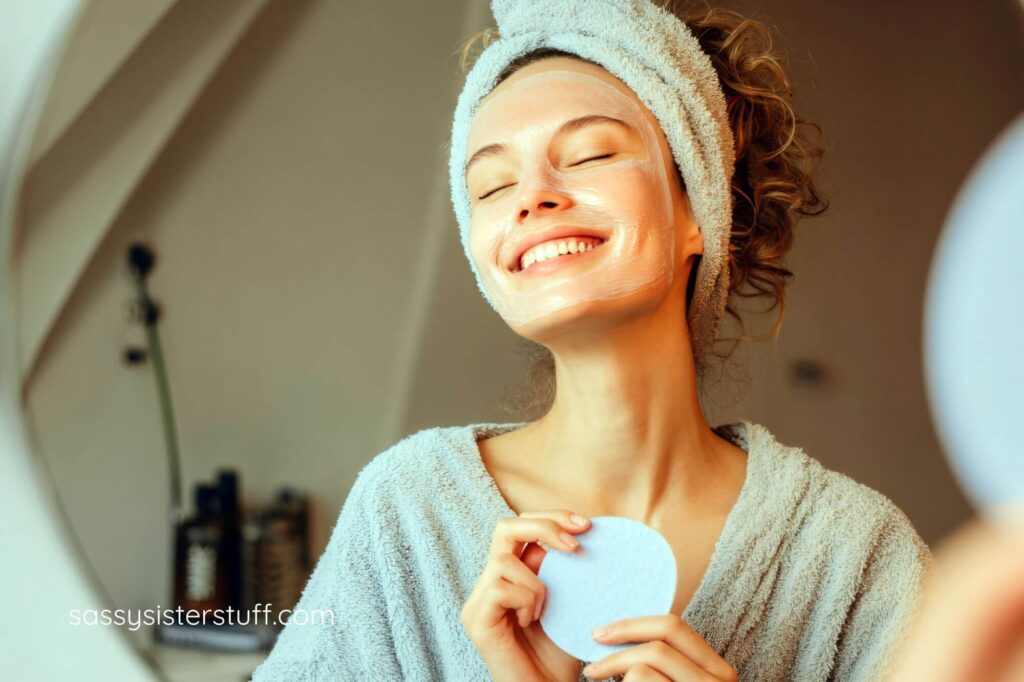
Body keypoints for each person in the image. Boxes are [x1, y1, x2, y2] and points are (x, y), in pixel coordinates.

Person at [251, 1, 931, 680]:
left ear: (700, 207)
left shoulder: (854, 554)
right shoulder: (408, 513)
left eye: (590, 153)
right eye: (491, 185)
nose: (531, 197)